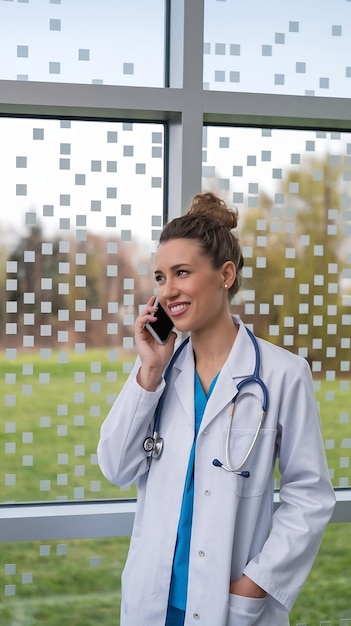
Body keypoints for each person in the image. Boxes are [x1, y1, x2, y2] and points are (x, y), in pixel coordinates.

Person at [97, 192, 335, 626]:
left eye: (182, 273)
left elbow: (310, 496)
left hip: (229, 605)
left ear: (226, 275)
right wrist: (150, 371)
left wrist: (255, 583)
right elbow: (115, 466)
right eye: (160, 277)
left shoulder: (282, 374)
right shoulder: (158, 370)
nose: (168, 290)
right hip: (153, 601)